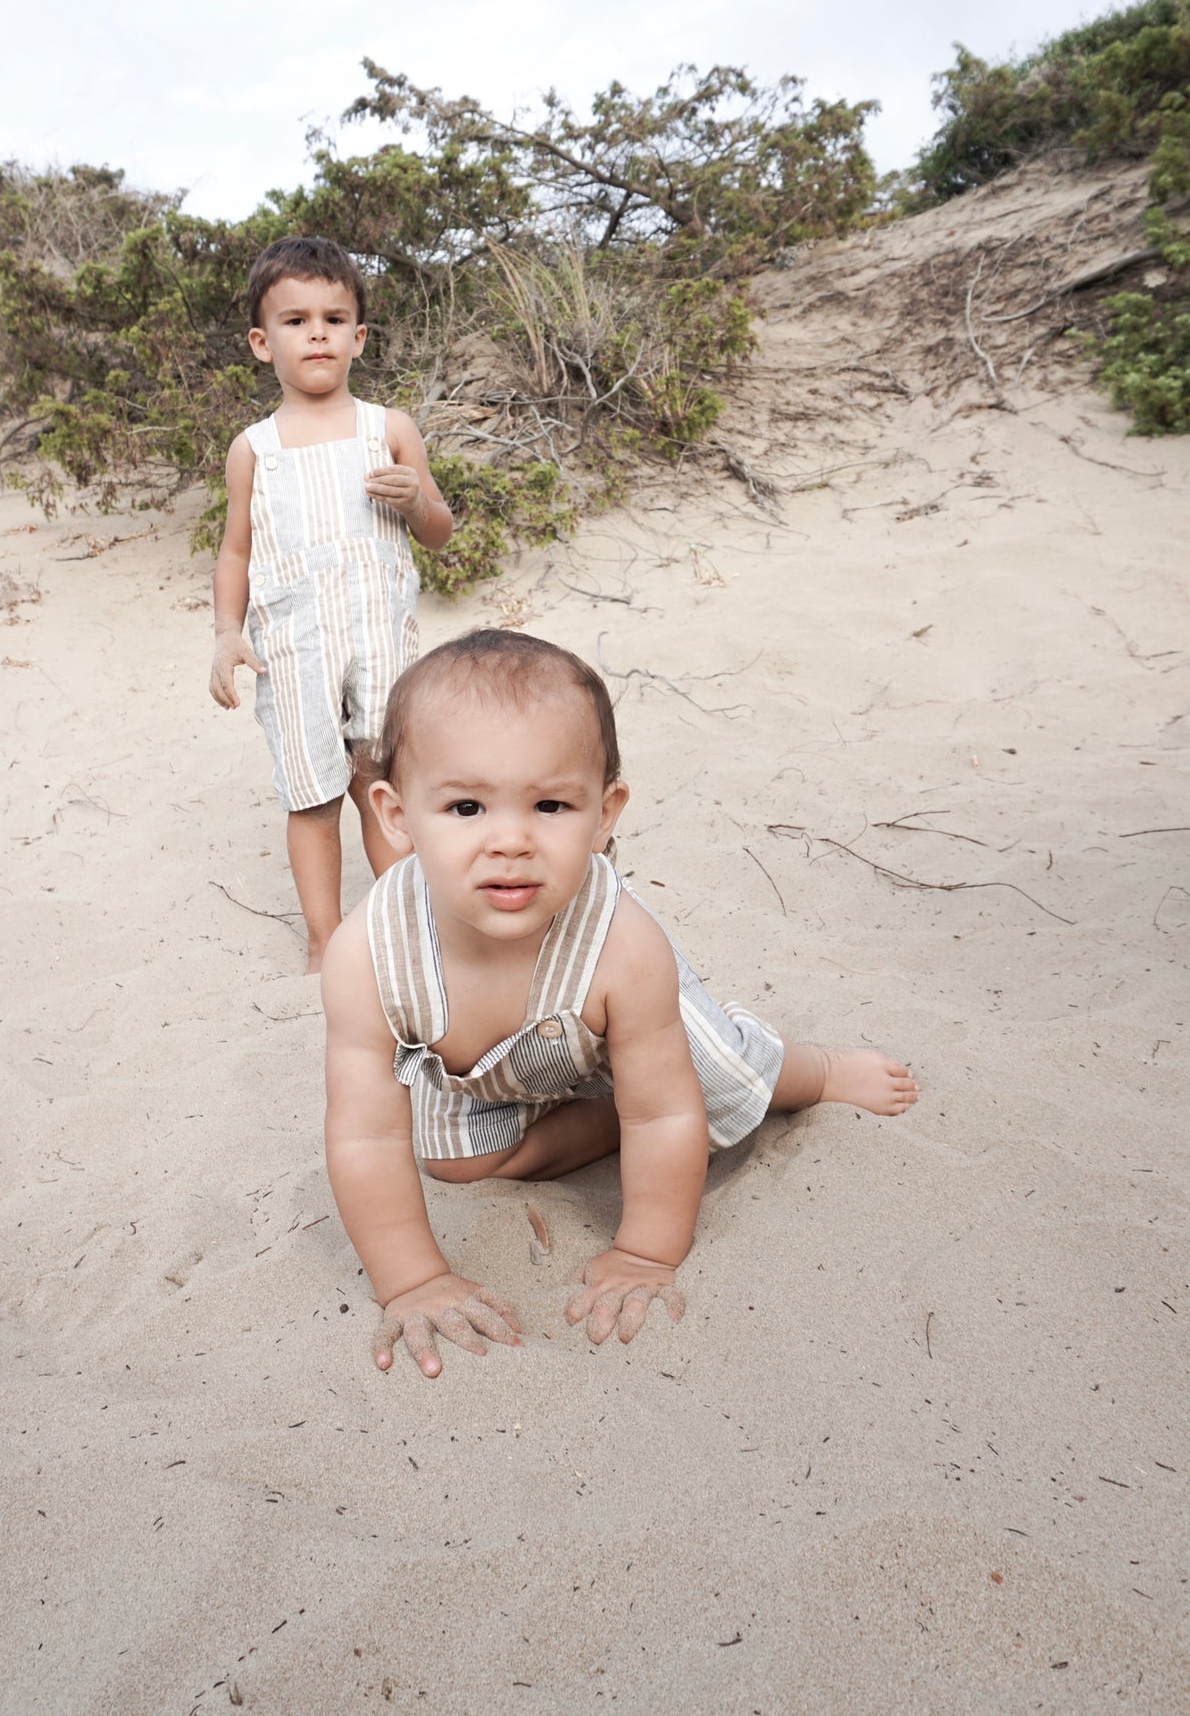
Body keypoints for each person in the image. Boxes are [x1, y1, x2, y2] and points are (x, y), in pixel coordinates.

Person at [322, 629, 920, 1378]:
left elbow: (663, 1113)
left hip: (608, 1018)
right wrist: (412, 1281)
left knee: (717, 1080)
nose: (509, 840)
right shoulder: (367, 956)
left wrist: (643, 1251)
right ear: (395, 814)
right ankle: (603, 1115)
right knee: (457, 1163)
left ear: (604, 813)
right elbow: (367, 1139)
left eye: (549, 804)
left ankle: (814, 1071)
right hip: (490, 1064)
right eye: (466, 807)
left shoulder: (621, 944)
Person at [210, 237, 453, 969]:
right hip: (293, 645)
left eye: (333, 317)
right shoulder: (255, 447)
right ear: (261, 342)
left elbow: (438, 533)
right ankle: (324, 939)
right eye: (294, 320)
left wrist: (415, 501)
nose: (315, 332)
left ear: (357, 337)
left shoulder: (390, 429)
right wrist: (227, 634)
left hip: (379, 637)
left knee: (379, 779)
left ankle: (402, 927)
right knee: (312, 792)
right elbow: (235, 552)